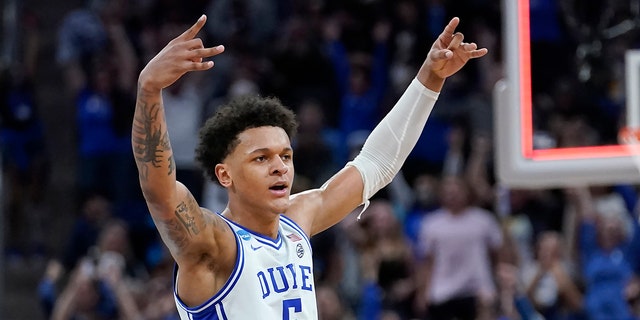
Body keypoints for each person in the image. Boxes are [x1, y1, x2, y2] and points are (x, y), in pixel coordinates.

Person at [132, 14, 487, 319]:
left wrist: (429, 80)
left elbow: (376, 163)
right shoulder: (215, 243)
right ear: (225, 174)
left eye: (285, 156)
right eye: (261, 158)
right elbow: (160, 192)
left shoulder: (296, 220)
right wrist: (149, 89)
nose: (280, 168)